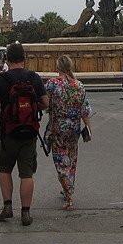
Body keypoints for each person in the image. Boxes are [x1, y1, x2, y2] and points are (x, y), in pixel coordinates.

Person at [0, 42, 49, 226]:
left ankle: (8, 207)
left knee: (5, 169)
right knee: (26, 173)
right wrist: (34, 110)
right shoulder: (34, 78)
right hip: (30, 132)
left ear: (6, 58)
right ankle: (26, 213)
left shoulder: (2, 80)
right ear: (24, 58)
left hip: (8, 132)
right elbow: (45, 102)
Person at [44, 55, 93, 211]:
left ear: (58, 67)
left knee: (60, 162)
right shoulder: (78, 85)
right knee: (71, 160)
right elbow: (84, 111)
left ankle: (68, 196)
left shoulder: (52, 84)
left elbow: (45, 105)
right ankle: (68, 188)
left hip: (58, 127)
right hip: (74, 128)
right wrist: (89, 130)